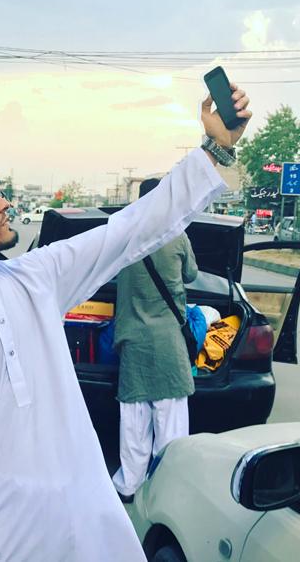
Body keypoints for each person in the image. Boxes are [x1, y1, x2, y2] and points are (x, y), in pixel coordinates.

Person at [0, 87, 252, 560]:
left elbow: (132, 228)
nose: (1, 203)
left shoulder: (38, 278)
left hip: (88, 530)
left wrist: (215, 150)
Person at [111, 177, 199, 503]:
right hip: (167, 339)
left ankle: (128, 485)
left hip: (132, 338)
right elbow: (191, 274)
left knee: (133, 419)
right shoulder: (177, 235)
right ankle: (166, 489)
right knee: (170, 420)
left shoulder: (125, 237)